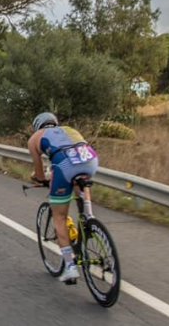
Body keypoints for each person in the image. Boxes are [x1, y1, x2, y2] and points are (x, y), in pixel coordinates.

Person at [27, 112, 98, 283]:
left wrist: (39, 178)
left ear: (38, 125)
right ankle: (88, 215)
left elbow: (39, 173)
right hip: (90, 160)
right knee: (79, 180)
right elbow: (74, 154)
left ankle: (70, 267)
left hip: (65, 165)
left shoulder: (34, 138)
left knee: (59, 216)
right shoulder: (68, 130)